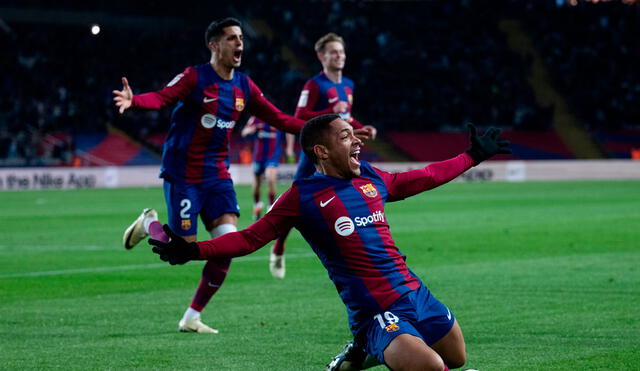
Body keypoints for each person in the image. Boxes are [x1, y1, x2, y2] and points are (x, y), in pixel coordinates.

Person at [149, 114, 511, 369]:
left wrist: (472, 156)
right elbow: (249, 238)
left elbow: (423, 176)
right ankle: (369, 341)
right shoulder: (301, 196)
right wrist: (192, 250)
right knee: (431, 367)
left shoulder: (369, 175)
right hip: (374, 312)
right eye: (346, 136)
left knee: (457, 358)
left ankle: (363, 355)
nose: (357, 141)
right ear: (321, 151)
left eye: (354, 135)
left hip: (415, 292)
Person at [112, 17, 312, 334]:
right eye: (232, 38)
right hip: (184, 175)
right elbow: (163, 97)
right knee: (180, 251)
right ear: (214, 45)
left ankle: (191, 316)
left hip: (217, 176)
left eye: (241, 38)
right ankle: (148, 223)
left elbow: (280, 119)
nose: (240, 44)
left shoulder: (244, 86)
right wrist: (134, 100)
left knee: (228, 246)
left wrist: (327, 126)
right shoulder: (195, 77)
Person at [272, 32, 377, 278]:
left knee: (354, 194)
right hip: (316, 154)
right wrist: (330, 109)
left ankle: (354, 247)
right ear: (321, 56)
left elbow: (345, 117)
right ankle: (278, 247)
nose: (338, 56)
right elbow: (299, 116)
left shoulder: (348, 84)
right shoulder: (314, 85)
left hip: (340, 154)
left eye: (341, 51)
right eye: (333, 52)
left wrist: (362, 126)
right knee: (294, 200)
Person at [240, 115, 287, 279]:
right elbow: (244, 132)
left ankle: (270, 206)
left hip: (272, 157)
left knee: (272, 177)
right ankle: (257, 204)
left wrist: (288, 150)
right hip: (258, 156)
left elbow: (288, 128)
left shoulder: (276, 118)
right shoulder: (255, 119)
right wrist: (250, 130)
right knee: (257, 185)